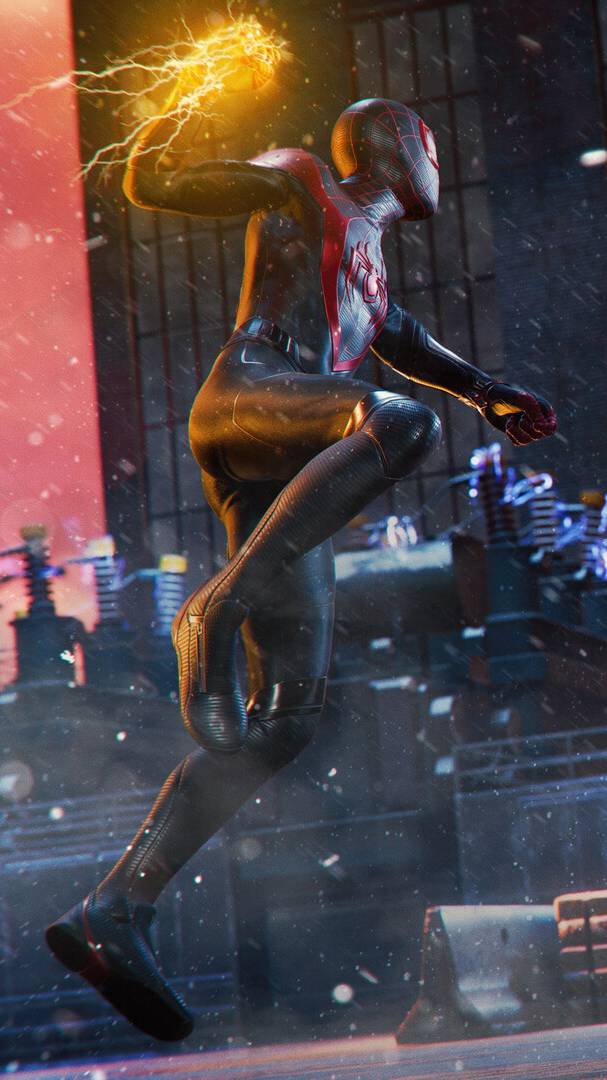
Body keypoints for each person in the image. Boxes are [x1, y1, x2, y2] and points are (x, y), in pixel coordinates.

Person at [45, 93, 557, 1041]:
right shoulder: (302, 181)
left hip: (282, 469)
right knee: (397, 420)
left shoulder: (366, 259)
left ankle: (114, 909)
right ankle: (216, 606)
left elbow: (396, 335)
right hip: (249, 394)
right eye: (426, 142)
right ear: (397, 144)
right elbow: (151, 184)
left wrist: (487, 391)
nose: (434, 160)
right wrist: (178, 102)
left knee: (285, 723)